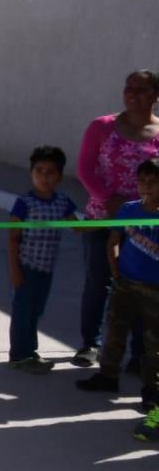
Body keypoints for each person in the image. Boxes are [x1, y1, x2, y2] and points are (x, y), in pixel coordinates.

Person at [75, 70, 159, 369]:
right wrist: (109, 200)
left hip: (146, 227)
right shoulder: (102, 127)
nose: (133, 93)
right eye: (129, 87)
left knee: (143, 287)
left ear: (156, 96)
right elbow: (85, 168)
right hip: (103, 217)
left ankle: (139, 354)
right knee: (100, 281)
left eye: (142, 88)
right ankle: (91, 345)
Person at [77, 157, 159, 414]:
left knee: (153, 343)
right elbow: (113, 239)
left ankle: (151, 391)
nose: (146, 187)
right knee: (114, 331)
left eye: (154, 182)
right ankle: (108, 375)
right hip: (125, 283)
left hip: (155, 290)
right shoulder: (129, 210)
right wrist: (115, 268)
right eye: (142, 181)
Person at [6, 146, 77, 375]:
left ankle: (30, 350)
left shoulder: (63, 202)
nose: (44, 177)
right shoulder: (25, 203)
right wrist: (15, 270)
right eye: (39, 171)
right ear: (31, 173)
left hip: (46, 269)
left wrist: (105, 223)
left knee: (36, 311)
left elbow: (77, 226)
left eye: (50, 172)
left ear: (59, 177)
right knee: (23, 311)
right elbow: (14, 238)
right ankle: (19, 355)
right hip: (27, 267)